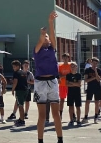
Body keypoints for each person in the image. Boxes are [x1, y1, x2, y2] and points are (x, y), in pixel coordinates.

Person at [32, 12, 64, 143]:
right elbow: (40, 40)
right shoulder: (37, 50)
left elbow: (53, 36)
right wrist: (42, 34)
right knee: (42, 115)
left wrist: (50, 22)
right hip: (40, 83)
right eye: (45, 37)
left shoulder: (52, 49)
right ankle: (40, 140)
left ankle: (60, 139)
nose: (47, 38)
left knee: (56, 114)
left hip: (52, 81)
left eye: (48, 37)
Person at [82, 57, 101, 124]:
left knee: (97, 102)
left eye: (96, 63)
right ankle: (85, 117)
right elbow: (86, 80)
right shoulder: (87, 70)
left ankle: (96, 117)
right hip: (90, 87)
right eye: (93, 62)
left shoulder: (98, 70)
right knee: (87, 102)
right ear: (91, 62)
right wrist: (94, 78)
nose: (95, 64)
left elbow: (99, 79)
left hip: (97, 87)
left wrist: (96, 72)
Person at [10, 60, 28, 126]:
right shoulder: (23, 72)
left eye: (14, 67)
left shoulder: (16, 73)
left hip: (19, 90)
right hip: (25, 90)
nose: (13, 68)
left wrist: (12, 89)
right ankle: (21, 118)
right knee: (20, 104)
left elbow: (15, 81)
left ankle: (22, 120)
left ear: (18, 66)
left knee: (20, 105)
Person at [65, 62, 83, 126]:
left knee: (78, 106)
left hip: (77, 92)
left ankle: (78, 120)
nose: (72, 68)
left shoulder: (79, 75)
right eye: (71, 66)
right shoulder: (68, 75)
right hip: (70, 93)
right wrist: (74, 84)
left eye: (74, 66)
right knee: (70, 106)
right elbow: (67, 84)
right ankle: (71, 120)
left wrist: (71, 83)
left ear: (76, 67)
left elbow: (79, 84)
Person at [58, 53, 72, 120]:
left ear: (69, 58)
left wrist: (64, 76)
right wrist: (66, 76)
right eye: (64, 57)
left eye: (67, 57)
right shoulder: (60, 66)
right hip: (62, 85)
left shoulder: (71, 65)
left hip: (69, 85)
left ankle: (73, 115)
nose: (65, 59)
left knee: (71, 100)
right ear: (62, 58)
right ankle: (60, 114)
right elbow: (59, 76)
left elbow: (72, 75)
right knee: (62, 100)